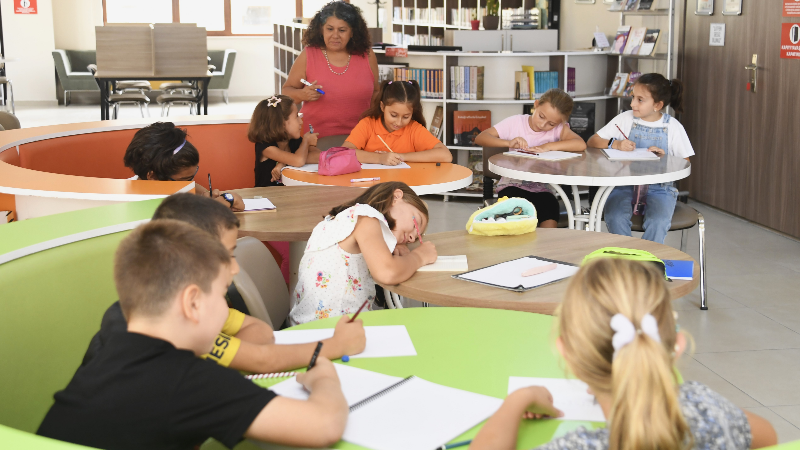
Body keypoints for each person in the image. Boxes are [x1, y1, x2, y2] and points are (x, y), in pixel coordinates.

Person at [38, 220, 349, 450]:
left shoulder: (113, 347)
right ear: (192, 302)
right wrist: (323, 377)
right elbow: (324, 425)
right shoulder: (186, 380)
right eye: (221, 296)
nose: (226, 309)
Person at [470, 258, 777, 450]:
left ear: (567, 354)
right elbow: (768, 437)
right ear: (677, 345)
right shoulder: (709, 410)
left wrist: (519, 399)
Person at [81, 193, 366, 374]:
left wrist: (235, 355)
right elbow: (262, 361)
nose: (235, 267)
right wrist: (334, 345)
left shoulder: (191, 310)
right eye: (227, 255)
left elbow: (260, 333)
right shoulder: (170, 341)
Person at [289, 182, 437, 325]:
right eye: (415, 223)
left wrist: (397, 243)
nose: (412, 237)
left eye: (416, 238)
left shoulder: (347, 217)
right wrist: (419, 256)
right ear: (396, 196)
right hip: (329, 332)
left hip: (311, 325)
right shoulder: (366, 219)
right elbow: (388, 272)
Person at [587, 73, 694, 244]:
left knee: (658, 222)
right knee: (615, 216)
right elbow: (592, 141)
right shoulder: (625, 118)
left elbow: (685, 162)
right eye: (633, 97)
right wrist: (616, 144)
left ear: (657, 105)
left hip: (660, 189)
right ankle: (628, 259)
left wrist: (665, 157)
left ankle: (646, 262)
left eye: (640, 100)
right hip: (623, 185)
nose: (632, 104)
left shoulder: (673, 126)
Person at [474, 89, 586, 228]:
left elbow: (580, 144)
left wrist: (549, 146)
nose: (542, 125)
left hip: (543, 189)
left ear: (559, 122)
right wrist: (508, 143)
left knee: (550, 213)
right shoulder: (515, 122)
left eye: (551, 124)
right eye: (541, 116)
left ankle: (543, 249)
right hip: (512, 186)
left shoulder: (558, 129)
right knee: (517, 221)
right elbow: (481, 137)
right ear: (536, 104)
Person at [281, 1, 379, 137]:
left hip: (360, 138)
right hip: (315, 138)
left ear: (352, 32)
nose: (335, 35)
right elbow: (286, 92)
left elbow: (376, 94)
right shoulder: (309, 54)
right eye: (330, 29)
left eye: (342, 30)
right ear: (321, 29)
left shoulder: (367, 55)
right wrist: (303, 94)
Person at [123, 121, 245, 211]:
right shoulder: (132, 206)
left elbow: (204, 195)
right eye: (185, 180)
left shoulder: (166, 185)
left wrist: (212, 198)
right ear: (153, 176)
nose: (190, 184)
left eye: (191, 177)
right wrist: (221, 205)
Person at [343, 80, 452, 165]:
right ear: (382, 107)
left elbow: (446, 155)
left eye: (406, 116)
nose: (399, 122)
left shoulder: (413, 128)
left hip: (404, 185)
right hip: (371, 187)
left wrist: (401, 157)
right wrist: (380, 158)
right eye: (393, 115)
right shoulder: (368, 124)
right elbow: (345, 152)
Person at [249, 95, 320, 187]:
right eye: (296, 117)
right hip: (266, 197)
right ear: (282, 123)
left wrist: (283, 163)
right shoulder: (265, 146)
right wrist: (306, 141)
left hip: (286, 195)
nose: (301, 122)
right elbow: (299, 160)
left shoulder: (294, 140)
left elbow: (319, 157)